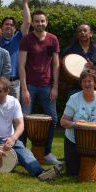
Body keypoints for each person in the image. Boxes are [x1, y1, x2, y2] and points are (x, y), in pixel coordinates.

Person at [19, 9, 60, 164]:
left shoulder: (53, 39)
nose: (39, 23)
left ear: (46, 22)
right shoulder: (26, 39)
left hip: (47, 85)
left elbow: (56, 65)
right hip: (29, 85)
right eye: (36, 21)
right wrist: (24, 89)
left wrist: (55, 87)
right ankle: (21, 153)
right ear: (33, 23)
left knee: (53, 119)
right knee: (22, 119)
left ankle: (47, 152)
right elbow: (21, 65)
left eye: (42, 21)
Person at [60, 69, 96, 179]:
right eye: (84, 81)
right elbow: (63, 121)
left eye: (90, 81)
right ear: (81, 84)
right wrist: (75, 124)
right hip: (74, 138)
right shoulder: (74, 99)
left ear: (95, 83)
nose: (87, 84)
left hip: (95, 138)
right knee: (73, 173)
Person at [0, 0, 31, 100]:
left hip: (14, 83)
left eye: (11, 25)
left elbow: (27, 22)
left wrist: (25, 2)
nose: (9, 26)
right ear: (2, 27)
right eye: (6, 24)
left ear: (15, 28)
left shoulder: (19, 37)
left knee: (13, 111)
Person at [61, 21, 96, 97]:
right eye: (80, 31)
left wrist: (95, 68)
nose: (82, 33)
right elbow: (60, 66)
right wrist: (63, 82)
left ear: (91, 33)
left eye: (85, 30)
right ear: (77, 35)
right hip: (74, 89)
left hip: (93, 88)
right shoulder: (69, 50)